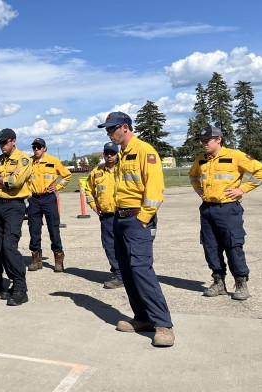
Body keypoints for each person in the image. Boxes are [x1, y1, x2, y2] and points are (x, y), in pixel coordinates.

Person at [99, 111, 174, 347]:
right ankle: (142, 318)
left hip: (136, 219)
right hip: (120, 220)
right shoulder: (122, 155)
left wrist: (144, 218)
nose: (108, 133)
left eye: (111, 129)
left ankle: (163, 325)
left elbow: (155, 188)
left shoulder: (144, 151)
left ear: (124, 127)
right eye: (107, 130)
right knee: (127, 271)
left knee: (141, 269)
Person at [189, 126, 262, 301]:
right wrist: (197, 187)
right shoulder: (201, 160)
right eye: (202, 140)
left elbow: (261, 171)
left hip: (228, 210)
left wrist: (243, 189)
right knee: (210, 247)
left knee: (233, 245)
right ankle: (218, 282)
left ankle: (241, 283)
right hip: (207, 209)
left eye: (207, 140)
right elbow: (192, 175)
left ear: (219, 139)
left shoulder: (235, 156)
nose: (203, 144)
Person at [0, 128, 33, 306]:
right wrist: (1, 182)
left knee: (9, 245)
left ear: (14, 141)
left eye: (5, 142)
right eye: (0, 142)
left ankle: (21, 288)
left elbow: (16, 183)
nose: (2, 145)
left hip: (15, 206)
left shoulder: (24, 159)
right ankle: (13, 283)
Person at [27, 137, 71, 272]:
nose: (36, 149)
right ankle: (36, 260)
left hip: (48, 199)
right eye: (34, 147)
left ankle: (58, 259)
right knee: (34, 230)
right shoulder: (28, 162)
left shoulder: (53, 161)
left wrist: (57, 187)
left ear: (44, 148)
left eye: (38, 147)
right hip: (34, 199)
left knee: (53, 229)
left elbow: (67, 175)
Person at [85, 142, 123, 289]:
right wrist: (94, 206)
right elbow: (88, 191)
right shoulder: (97, 172)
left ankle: (130, 274)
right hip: (107, 217)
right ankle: (119, 275)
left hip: (124, 214)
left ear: (117, 154)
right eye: (106, 153)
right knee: (110, 246)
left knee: (127, 246)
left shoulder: (123, 169)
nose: (109, 156)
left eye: (112, 153)